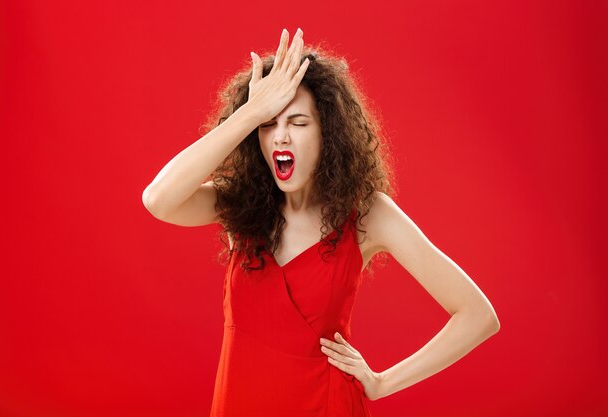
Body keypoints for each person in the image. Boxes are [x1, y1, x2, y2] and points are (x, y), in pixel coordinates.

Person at [142, 27, 500, 417]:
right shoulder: (241, 206)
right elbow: (158, 200)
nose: (280, 137)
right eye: (268, 125)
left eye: (297, 123)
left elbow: (478, 316)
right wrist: (250, 112)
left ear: (327, 134)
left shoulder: (368, 215)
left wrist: (382, 383)